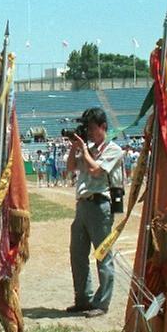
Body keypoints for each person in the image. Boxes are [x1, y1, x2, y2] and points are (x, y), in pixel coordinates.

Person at [65, 107, 123, 318]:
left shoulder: (114, 149)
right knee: (77, 255)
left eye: (91, 127)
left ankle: (102, 302)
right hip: (82, 205)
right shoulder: (86, 147)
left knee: (102, 255)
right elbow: (71, 167)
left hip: (101, 206)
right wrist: (75, 147)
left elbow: (95, 170)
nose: (88, 132)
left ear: (103, 127)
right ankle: (83, 299)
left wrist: (85, 150)